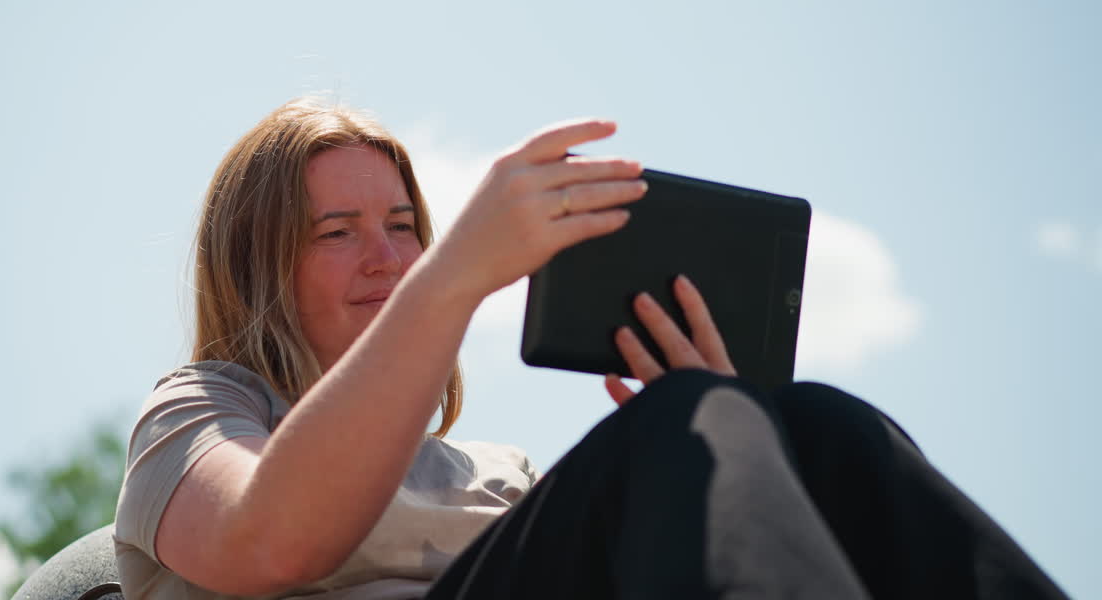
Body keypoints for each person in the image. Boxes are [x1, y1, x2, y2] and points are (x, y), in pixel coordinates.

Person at [113, 98, 1065, 599]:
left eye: (407, 226)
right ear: (257, 268)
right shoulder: (197, 415)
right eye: (338, 232)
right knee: (676, 429)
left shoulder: (497, 472)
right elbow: (268, 541)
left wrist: (739, 449)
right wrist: (455, 280)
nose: (389, 257)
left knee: (813, 425)